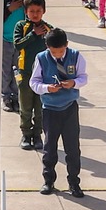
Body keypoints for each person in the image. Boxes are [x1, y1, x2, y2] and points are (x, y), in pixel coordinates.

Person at [32, 28, 87, 197]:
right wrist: (47, 88)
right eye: (53, 51)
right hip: (50, 109)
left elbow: (83, 77)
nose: (57, 54)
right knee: (50, 147)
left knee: (72, 148)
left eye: (61, 51)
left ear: (67, 46)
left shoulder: (76, 56)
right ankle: (48, 180)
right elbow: (34, 82)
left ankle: (74, 182)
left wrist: (73, 83)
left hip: (69, 108)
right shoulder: (41, 58)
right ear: (47, 47)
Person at [13, 0, 55, 149]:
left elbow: (55, 49)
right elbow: (17, 45)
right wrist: (33, 34)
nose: (35, 14)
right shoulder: (21, 26)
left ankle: (37, 135)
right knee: (25, 107)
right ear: (26, 12)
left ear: (44, 11)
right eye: (32, 11)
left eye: (38, 10)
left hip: (43, 75)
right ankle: (26, 134)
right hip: (25, 73)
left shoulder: (49, 29)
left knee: (40, 108)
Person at [0, 0, 29, 104]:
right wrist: (9, 9)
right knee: (5, 70)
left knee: (19, 70)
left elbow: (32, 13)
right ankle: (5, 96)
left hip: (19, 41)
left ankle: (16, 97)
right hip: (4, 40)